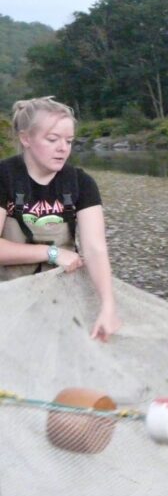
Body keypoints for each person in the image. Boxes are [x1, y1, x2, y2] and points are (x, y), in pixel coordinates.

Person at [0, 97, 121, 340]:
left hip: (62, 295)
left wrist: (107, 306)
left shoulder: (81, 183)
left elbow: (95, 249)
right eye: (52, 139)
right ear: (26, 139)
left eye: (69, 141)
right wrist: (52, 253)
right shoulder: (4, 177)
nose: (63, 148)